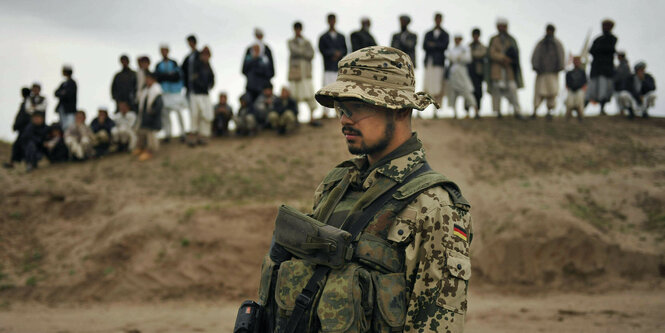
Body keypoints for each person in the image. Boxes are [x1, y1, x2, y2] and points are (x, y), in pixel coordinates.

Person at [255, 46, 471, 333]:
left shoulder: (436, 206)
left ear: (400, 109)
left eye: (359, 106)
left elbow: (436, 324)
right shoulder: (338, 183)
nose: (345, 118)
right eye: (341, 108)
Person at [487, 17, 524, 118]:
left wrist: (510, 60)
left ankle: (517, 111)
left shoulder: (511, 40)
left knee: (512, 88)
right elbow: (491, 53)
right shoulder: (493, 40)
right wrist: (503, 58)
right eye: (500, 26)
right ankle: (497, 112)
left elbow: (516, 54)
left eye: (504, 26)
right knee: (496, 90)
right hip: (497, 70)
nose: (502, 28)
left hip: (509, 70)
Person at [288, 21, 320, 127]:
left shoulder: (307, 42)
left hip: (306, 73)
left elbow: (311, 54)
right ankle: (296, 119)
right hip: (296, 74)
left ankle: (312, 117)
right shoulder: (291, 41)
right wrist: (304, 52)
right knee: (295, 96)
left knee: (310, 95)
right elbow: (295, 51)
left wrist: (302, 52)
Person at [530, 24, 565, 119]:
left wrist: (559, 67)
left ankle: (550, 111)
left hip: (552, 73)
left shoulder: (557, 44)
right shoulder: (541, 43)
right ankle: (535, 111)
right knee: (538, 93)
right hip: (542, 73)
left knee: (552, 93)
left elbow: (561, 57)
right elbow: (535, 56)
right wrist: (536, 66)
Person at [155, 44, 187, 142]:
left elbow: (177, 76)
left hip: (175, 92)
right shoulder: (158, 65)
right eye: (162, 51)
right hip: (165, 92)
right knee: (165, 114)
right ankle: (168, 134)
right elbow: (158, 77)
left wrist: (166, 76)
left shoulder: (174, 63)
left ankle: (183, 133)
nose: (164, 53)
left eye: (165, 50)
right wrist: (168, 75)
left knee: (178, 112)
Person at [318, 13, 348, 118]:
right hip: (328, 67)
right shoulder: (323, 37)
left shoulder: (341, 36)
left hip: (338, 67)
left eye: (333, 20)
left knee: (339, 90)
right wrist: (332, 53)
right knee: (327, 89)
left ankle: (339, 111)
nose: (332, 22)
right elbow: (322, 50)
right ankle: (326, 112)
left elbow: (345, 49)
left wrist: (339, 54)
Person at [587, 19, 618, 115]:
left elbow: (608, 49)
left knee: (604, 90)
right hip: (596, 69)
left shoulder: (612, 39)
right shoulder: (597, 39)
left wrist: (599, 50)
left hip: (606, 70)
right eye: (604, 26)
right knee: (592, 89)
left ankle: (602, 108)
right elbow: (591, 50)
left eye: (607, 26)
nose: (605, 28)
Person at [423, 12, 450, 114]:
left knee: (438, 86)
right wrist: (437, 45)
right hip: (429, 63)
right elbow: (425, 45)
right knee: (427, 86)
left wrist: (433, 45)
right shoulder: (429, 33)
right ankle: (422, 110)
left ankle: (436, 110)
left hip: (439, 63)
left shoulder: (445, 34)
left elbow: (444, 46)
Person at [188, 46, 215, 146]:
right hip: (196, 93)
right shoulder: (196, 65)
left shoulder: (208, 66)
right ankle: (192, 136)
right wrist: (203, 86)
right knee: (195, 115)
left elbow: (212, 78)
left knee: (206, 114)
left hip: (205, 94)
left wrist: (210, 86)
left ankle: (203, 136)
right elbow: (194, 79)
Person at [446, 33, 478, 118]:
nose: (457, 40)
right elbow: (449, 57)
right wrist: (458, 57)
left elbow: (468, 59)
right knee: (453, 93)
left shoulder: (465, 48)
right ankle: (454, 113)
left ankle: (475, 110)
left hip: (462, 72)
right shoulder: (451, 49)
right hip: (453, 73)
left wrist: (458, 58)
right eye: (456, 38)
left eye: (458, 38)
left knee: (467, 91)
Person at [135, 71, 163, 161]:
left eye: (148, 79)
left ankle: (150, 151)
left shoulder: (156, 91)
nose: (147, 81)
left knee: (151, 136)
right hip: (145, 117)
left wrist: (152, 113)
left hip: (152, 118)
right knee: (142, 133)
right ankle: (142, 148)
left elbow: (159, 105)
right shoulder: (145, 91)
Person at [243, 28, 275, 103]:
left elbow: (271, 71)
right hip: (251, 87)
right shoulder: (249, 50)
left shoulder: (267, 50)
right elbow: (244, 69)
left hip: (264, 87)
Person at [3, 87, 32, 169]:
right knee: (17, 145)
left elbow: (24, 117)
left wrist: (18, 125)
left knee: (22, 145)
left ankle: (27, 164)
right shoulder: (26, 103)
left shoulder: (28, 103)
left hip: (25, 128)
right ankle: (14, 163)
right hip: (22, 128)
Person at [467, 28, 487, 115]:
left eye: (477, 35)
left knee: (478, 91)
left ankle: (477, 111)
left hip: (478, 72)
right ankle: (467, 110)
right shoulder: (468, 46)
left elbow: (481, 54)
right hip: (469, 71)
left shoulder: (482, 47)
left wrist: (472, 55)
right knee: (468, 90)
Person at [54, 64, 77, 130]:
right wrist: (63, 93)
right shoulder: (63, 84)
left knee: (69, 126)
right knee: (63, 126)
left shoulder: (72, 83)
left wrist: (63, 93)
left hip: (69, 109)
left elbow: (69, 94)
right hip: (62, 108)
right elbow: (56, 93)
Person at [565, 56, 588, 121]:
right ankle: (568, 117)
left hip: (580, 90)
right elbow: (567, 84)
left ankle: (580, 116)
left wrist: (583, 89)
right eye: (575, 61)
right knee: (569, 103)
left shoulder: (582, 72)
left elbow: (585, 83)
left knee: (579, 103)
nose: (576, 62)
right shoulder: (569, 73)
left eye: (578, 61)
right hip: (571, 90)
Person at [182, 34, 200, 99]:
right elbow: (183, 69)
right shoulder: (188, 57)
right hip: (189, 85)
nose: (190, 44)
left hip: (198, 87)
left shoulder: (200, 55)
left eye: (191, 42)